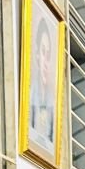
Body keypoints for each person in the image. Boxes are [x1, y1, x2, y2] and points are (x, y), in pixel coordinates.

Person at [29, 18, 56, 146]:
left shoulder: (51, 99)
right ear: (37, 55)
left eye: (48, 54)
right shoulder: (31, 93)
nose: (46, 61)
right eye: (43, 52)